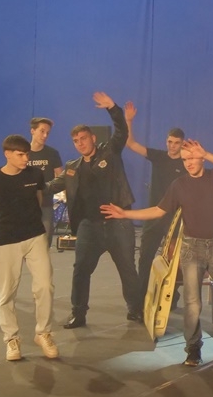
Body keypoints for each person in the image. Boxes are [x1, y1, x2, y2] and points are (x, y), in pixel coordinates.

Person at [101, 140, 213, 366]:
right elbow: (158, 210)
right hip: (192, 248)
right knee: (193, 304)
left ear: (201, 158)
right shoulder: (179, 185)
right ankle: (193, 349)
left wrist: (206, 152)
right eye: (185, 159)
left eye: (192, 158)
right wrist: (125, 214)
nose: (189, 163)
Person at [46, 92, 142, 329]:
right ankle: (78, 314)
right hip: (89, 227)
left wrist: (112, 107)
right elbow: (49, 187)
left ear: (93, 138)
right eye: (75, 141)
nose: (80, 143)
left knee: (127, 269)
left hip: (118, 223)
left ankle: (135, 310)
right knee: (80, 270)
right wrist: (24, 187)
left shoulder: (110, 152)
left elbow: (121, 131)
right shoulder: (72, 168)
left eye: (83, 138)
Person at [0, 135, 58, 361]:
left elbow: (38, 199)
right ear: (7, 154)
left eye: (27, 154)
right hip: (7, 241)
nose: (25, 158)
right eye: (20, 154)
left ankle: (43, 333)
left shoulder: (35, 174)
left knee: (45, 286)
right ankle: (11, 339)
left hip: (35, 237)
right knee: (7, 294)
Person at [124, 102, 188, 307]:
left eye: (176, 143)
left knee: (173, 260)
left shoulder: (187, 163)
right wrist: (129, 120)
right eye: (169, 141)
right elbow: (131, 144)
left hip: (175, 218)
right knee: (145, 257)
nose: (172, 146)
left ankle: (171, 295)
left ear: (182, 144)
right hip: (154, 215)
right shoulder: (159, 156)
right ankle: (141, 298)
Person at [27, 117, 63, 249]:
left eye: (47, 132)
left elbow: (61, 176)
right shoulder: (23, 153)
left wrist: (63, 195)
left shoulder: (52, 153)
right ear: (32, 131)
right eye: (42, 131)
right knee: (24, 241)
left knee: (45, 240)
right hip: (25, 204)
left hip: (46, 204)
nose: (45, 135)